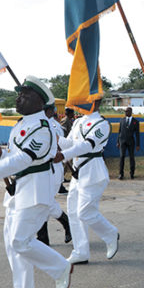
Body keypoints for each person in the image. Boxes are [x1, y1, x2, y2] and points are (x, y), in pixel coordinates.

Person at [0, 76, 72, 288]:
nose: (19, 98)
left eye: (25, 95)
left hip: (36, 189)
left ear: (40, 102)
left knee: (20, 240)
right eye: (19, 94)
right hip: (19, 190)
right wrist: (1, 153)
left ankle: (61, 267)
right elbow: (16, 157)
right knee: (10, 241)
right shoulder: (21, 125)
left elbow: (26, 159)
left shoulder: (43, 128)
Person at [54, 98, 120, 264]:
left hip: (93, 172)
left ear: (95, 103)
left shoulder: (102, 124)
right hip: (78, 173)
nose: (79, 104)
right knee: (74, 212)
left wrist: (64, 155)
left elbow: (87, 146)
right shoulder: (78, 123)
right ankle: (80, 251)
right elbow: (70, 142)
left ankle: (110, 233)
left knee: (85, 212)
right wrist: (55, 139)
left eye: (84, 101)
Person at [35, 96, 72, 246]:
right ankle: (43, 237)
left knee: (45, 202)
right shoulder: (39, 124)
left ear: (51, 111)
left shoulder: (54, 126)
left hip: (53, 169)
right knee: (41, 203)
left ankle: (66, 223)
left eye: (45, 109)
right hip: (41, 169)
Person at [117, 106, 140, 179]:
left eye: (127, 111)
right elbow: (119, 132)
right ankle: (121, 174)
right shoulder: (122, 120)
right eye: (125, 111)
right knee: (122, 157)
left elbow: (137, 134)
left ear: (130, 112)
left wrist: (138, 144)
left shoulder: (135, 122)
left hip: (131, 142)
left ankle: (132, 173)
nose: (125, 113)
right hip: (122, 141)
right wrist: (118, 142)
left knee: (131, 157)